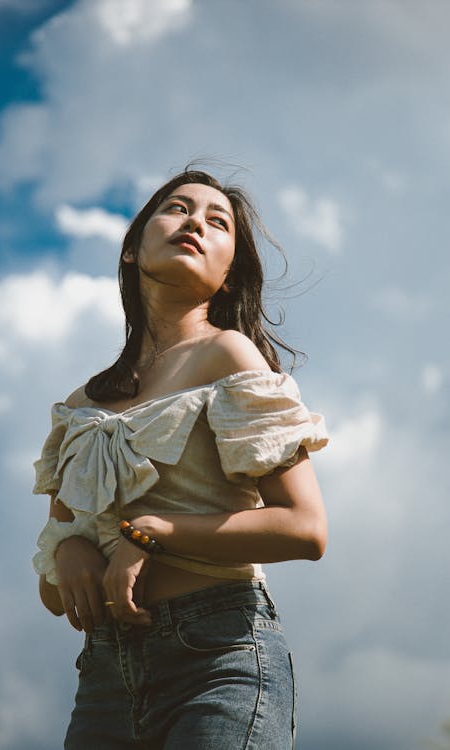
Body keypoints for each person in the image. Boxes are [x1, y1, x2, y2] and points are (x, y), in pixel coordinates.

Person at [32, 169, 328, 750]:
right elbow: (53, 590)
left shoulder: (227, 355)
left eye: (218, 223)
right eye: (177, 209)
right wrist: (67, 551)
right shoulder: (80, 406)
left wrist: (151, 534)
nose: (195, 221)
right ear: (131, 247)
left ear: (226, 277)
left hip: (220, 658)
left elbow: (305, 528)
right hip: (104, 677)